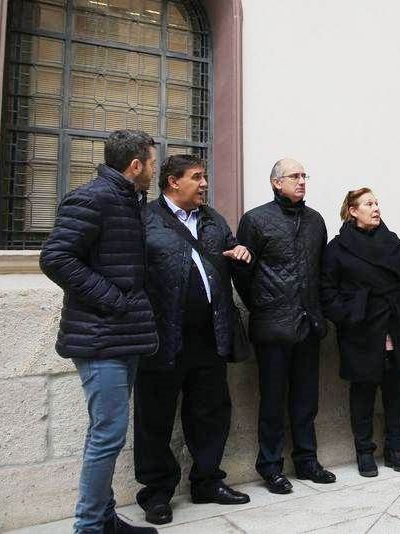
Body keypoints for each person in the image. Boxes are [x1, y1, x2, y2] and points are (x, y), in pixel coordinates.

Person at [39, 129, 159, 534]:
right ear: (136, 164)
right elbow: (56, 257)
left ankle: (105, 519)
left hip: (123, 335)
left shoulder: (130, 200)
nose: (155, 171)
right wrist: (114, 299)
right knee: (107, 435)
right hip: (99, 337)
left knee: (107, 432)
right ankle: (89, 527)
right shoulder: (92, 198)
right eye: (152, 164)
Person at [133, 155, 252, 525]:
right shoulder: (145, 219)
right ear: (172, 182)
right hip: (161, 336)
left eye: (205, 177)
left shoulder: (213, 219)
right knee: (155, 417)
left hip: (210, 334)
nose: (204, 184)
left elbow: (228, 250)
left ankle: (206, 481)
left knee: (211, 411)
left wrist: (238, 253)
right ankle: (156, 493)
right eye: (197, 177)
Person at [233, 158, 334, 494]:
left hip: (308, 325)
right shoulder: (255, 220)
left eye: (305, 175)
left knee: (306, 400)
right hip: (272, 326)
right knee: (272, 401)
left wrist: (318, 312)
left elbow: (322, 272)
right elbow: (242, 274)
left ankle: (307, 461)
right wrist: (263, 305)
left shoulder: (315, 221)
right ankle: (271, 467)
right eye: (295, 176)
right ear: (277, 182)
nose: (302, 181)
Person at [321, 188, 400, 477]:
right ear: (353, 211)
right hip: (362, 331)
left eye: (377, 203)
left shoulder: (394, 243)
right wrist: (350, 315)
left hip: (395, 326)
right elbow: (327, 292)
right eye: (369, 203)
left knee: (397, 391)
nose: (376, 208)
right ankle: (365, 453)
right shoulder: (338, 249)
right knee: (363, 393)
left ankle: (395, 449)